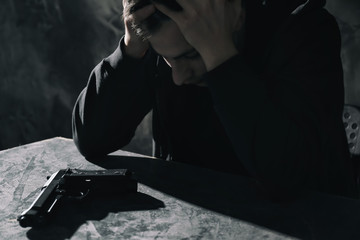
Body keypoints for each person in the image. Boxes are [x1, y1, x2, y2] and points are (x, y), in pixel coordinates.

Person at [72, 0, 359, 198]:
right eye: (168, 59)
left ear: (234, 11)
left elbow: (286, 180)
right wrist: (133, 48)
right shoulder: (168, 33)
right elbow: (92, 140)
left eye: (191, 55)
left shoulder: (305, 29)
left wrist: (217, 52)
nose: (179, 77)